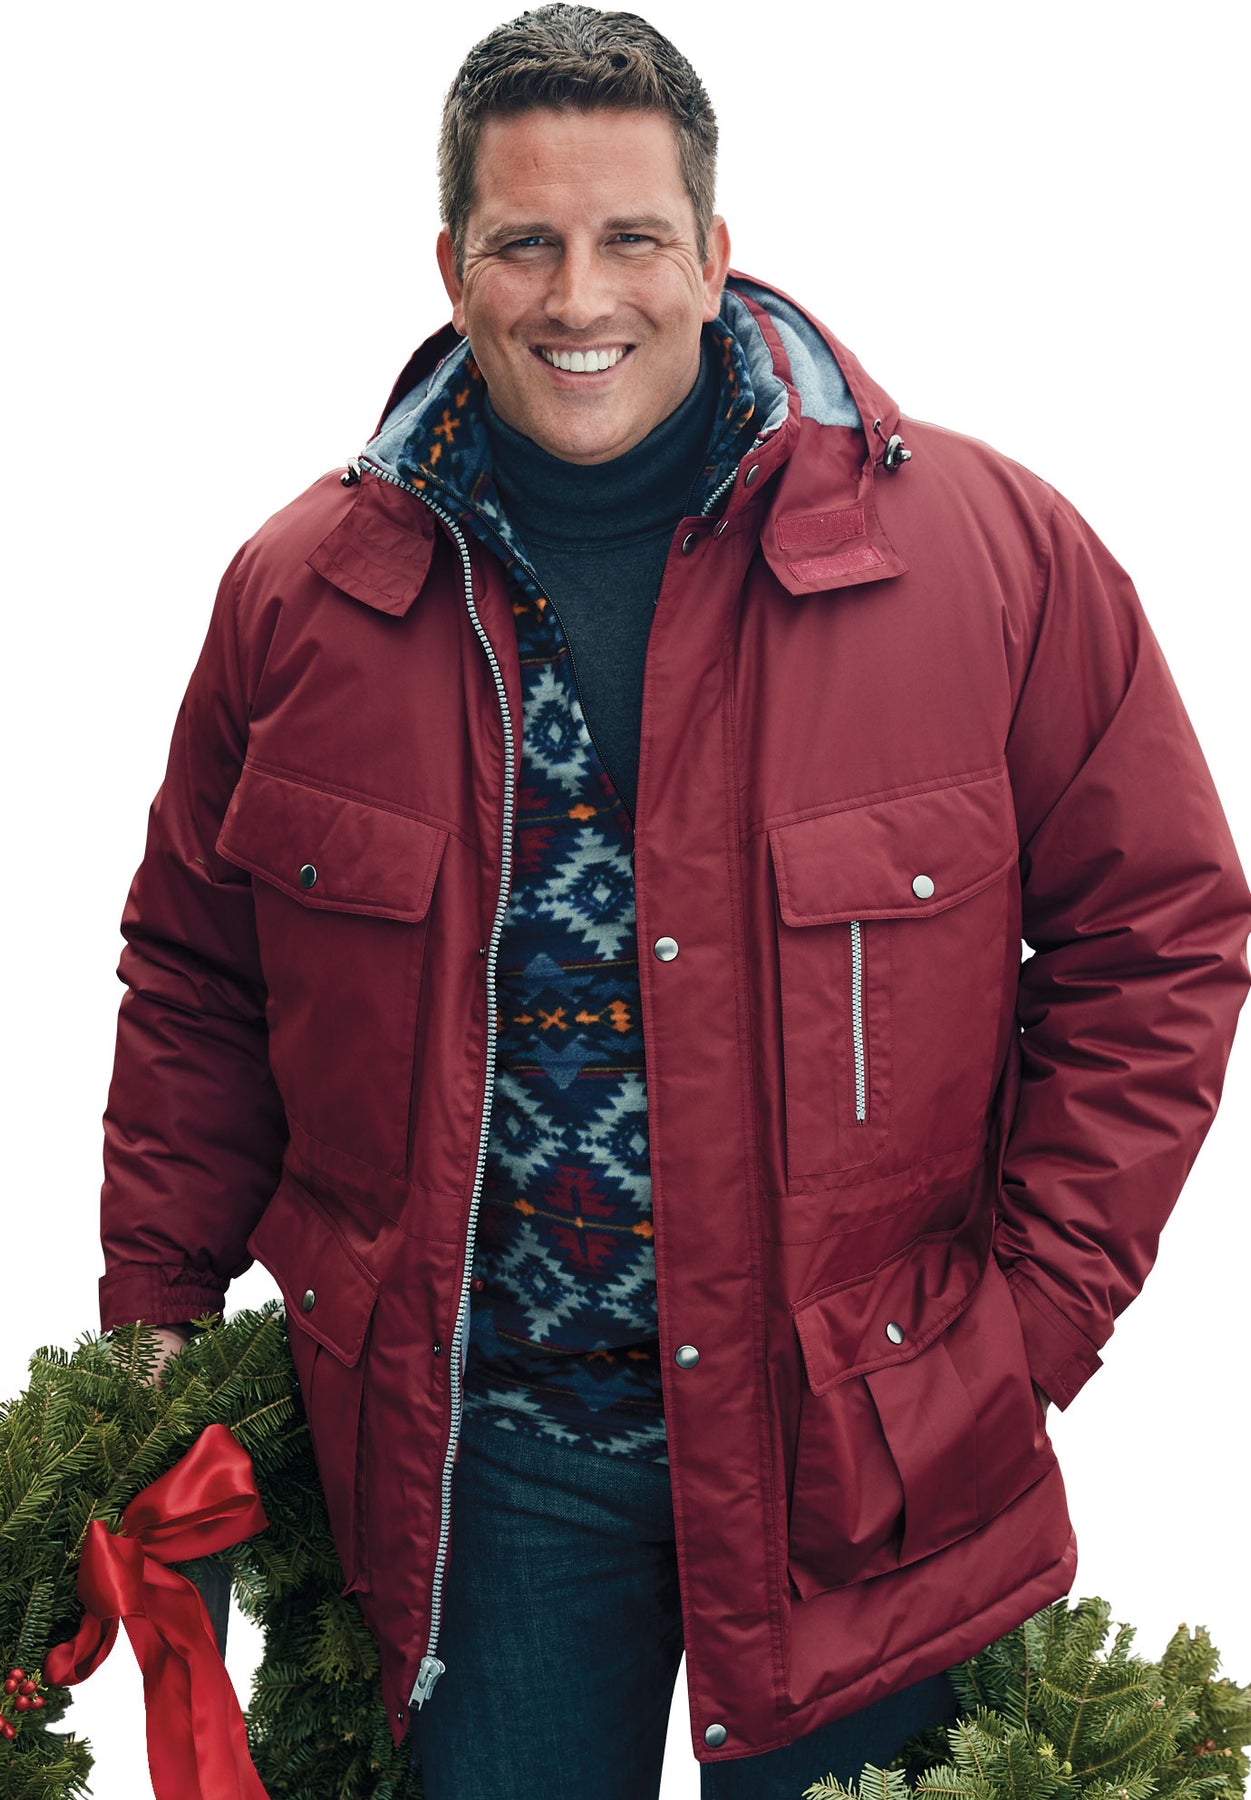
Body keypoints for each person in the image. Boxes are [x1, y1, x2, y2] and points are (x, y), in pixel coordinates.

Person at [96, 5, 1251, 1796]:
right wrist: (155, 1328)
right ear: (450, 267)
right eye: (524, 243)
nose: (580, 297)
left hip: (866, 1465)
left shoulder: (990, 560)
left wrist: (1029, 1322)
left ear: (714, 254)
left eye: (631, 236)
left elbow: (1160, 934)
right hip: (476, 1475)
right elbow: (196, 976)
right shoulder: (300, 600)